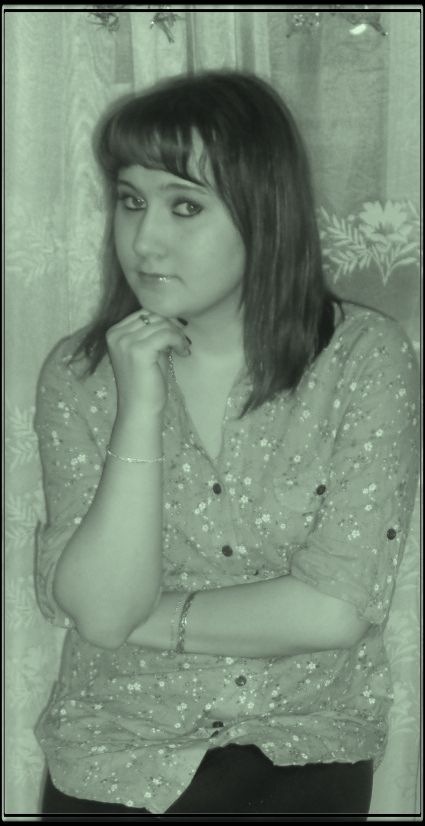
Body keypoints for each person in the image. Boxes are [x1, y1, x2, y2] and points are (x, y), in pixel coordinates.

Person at [34, 69, 419, 820]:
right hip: (116, 755)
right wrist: (140, 405)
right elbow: (103, 615)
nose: (144, 240)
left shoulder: (363, 359)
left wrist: (149, 618)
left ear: (263, 210)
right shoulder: (82, 376)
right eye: (131, 201)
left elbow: (334, 611)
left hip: (302, 748)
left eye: (184, 206)